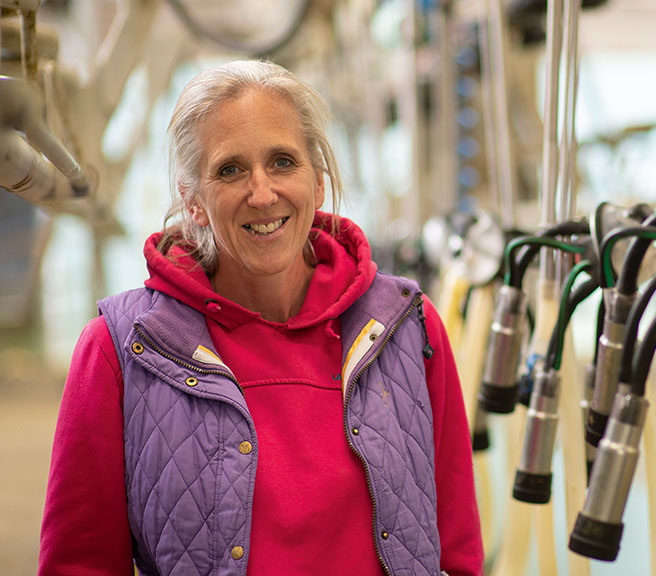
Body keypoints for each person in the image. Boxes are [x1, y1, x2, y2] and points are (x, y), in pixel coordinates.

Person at [38, 60, 483, 576]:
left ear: (317, 183)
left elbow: (457, 551)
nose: (262, 193)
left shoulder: (407, 329)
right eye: (230, 170)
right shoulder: (121, 350)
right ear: (193, 201)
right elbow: (80, 563)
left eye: (282, 162)